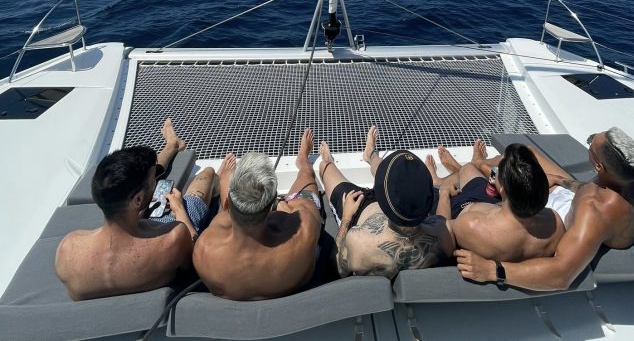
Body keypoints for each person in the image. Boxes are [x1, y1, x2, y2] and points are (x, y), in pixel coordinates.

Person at [456, 127, 634, 290]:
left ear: (599, 167)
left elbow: (561, 275)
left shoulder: (594, 211)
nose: (589, 142)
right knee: (529, 152)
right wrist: (560, 181)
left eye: (590, 143)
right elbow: (592, 189)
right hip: (572, 201)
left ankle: (474, 167)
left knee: (511, 171)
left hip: (558, 218)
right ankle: (479, 164)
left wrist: (494, 271)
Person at [55, 119, 218, 300]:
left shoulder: (68, 249)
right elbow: (199, 260)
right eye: (153, 180)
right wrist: (179, 210)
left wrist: (138, 212)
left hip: (130, 218)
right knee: (207, 176)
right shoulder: (173, 237)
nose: (155, 181)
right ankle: (178, 153)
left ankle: (171, 145)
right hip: (162, 230)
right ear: (138, 199)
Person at [193, 128, 322, 300]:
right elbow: (303, 205)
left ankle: (224, 178)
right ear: (271, 203)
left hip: (232, 269)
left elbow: (226, 214)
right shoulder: (305, 228)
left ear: (229, 202)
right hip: (292, 277)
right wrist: (284, 206)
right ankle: (303, 160)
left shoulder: (205, 249)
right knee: (306, 176)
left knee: (226, 198)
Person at [319, 126, 454, 279]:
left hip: (360, 205)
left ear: (380, 191)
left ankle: (334, 160)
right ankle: (370, 155)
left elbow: (336, 268)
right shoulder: (445, 233)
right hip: (408, 209)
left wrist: (346, 218)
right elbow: (441, 221)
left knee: (325, 167)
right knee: (393, 174)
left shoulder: (358, 242)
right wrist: (443, 194)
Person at [427, 140, 564, 262]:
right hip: (498, 208)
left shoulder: (471, 225)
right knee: (468, 168)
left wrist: (444, 192)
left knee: (454, 179)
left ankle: (439, 182)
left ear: (503, 189)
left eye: (498, 169)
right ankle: (458, 169)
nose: (494, 172)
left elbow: (442, 227)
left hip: (460, 209)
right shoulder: (555, 224)